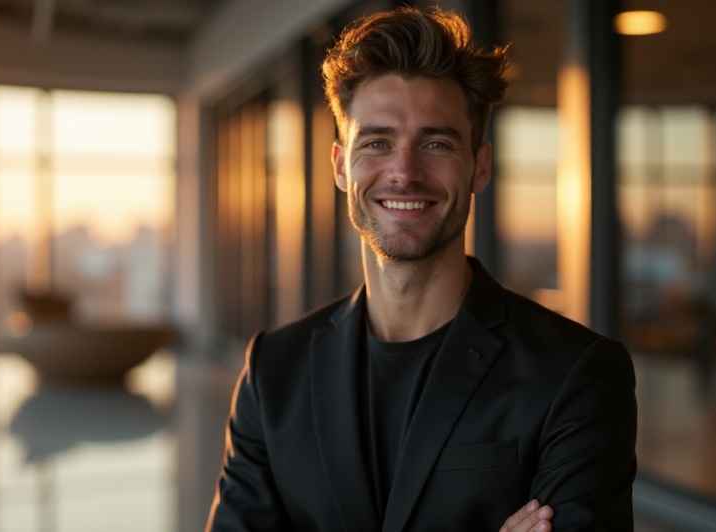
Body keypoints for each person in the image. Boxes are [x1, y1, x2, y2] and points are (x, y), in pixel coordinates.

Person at [206, 6, 637, 532]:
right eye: (377, 143)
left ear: (480, 166)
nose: (405, 172)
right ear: (341, 166)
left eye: (436, 144)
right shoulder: (273, 370)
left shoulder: (575, 373)